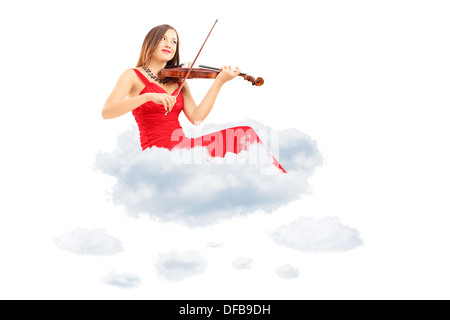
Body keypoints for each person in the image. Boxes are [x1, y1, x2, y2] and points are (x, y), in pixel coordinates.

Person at [102, 24, 286, 173]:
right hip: (159, 154)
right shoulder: (132, 75)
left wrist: (219, 82)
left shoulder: (178, 81)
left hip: (184, 148)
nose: (169, 44)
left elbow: (197, 118)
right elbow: (107, 112)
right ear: (150, 43)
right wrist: (147, 97)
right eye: (163, 38)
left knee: (245, 135)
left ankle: (279, 180)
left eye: (174, 42)